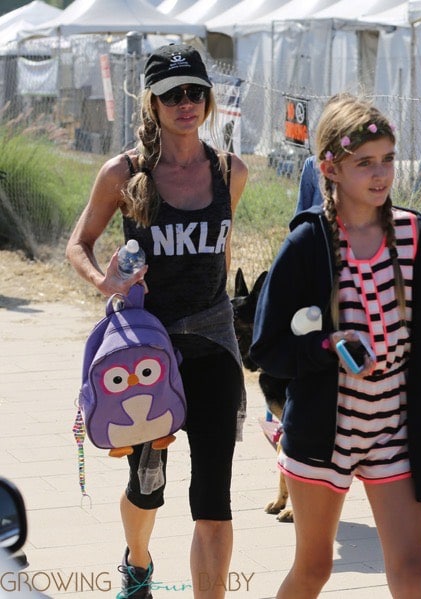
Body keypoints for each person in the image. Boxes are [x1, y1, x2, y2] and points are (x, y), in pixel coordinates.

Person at [249, 93, 421, 599]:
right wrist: (324, 347)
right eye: (365, 163)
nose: (380, 175)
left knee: (410, 570)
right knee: (314, 570)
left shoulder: (419, 241)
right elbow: (266, 350)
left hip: (395, 432)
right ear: (330, 169)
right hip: (322, 431)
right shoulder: (307, 245)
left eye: (387, 160)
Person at [66, 43, 248, 599]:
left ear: (208, 99)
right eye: (172, 95)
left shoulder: (230, 171)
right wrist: (108, 283)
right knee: (148, 488)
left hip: (215, 351)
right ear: (153, 102)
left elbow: (220, 253)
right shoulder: (123, 172)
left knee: (214, 498)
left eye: (195, 91)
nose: (185, 103)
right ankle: (138, 564)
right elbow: (79, 244)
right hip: (148, 358)